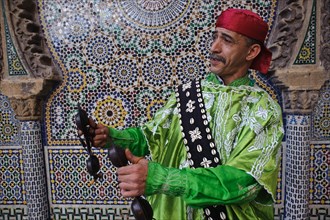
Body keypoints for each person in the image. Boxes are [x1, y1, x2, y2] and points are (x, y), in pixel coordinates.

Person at [88, 8, 284, 220]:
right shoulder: (187, 94)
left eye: (226, 40)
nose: (214, 47)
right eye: (214, 37)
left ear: (252, 52)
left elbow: (246, 181)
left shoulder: (262, 108)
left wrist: (162, 179)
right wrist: (111, 137)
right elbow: (150, 137)